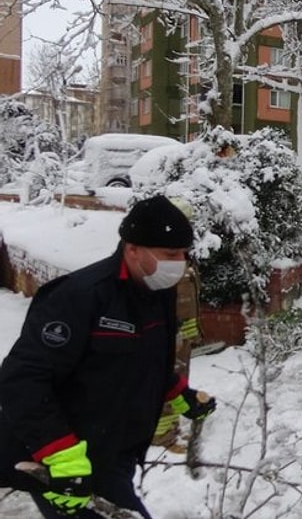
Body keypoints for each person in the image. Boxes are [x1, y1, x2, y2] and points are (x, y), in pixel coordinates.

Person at [0, 195, 217, 518]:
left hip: (114, 450)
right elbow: (21, 380)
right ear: (132, 249)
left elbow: (138, 358)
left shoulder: (156, 291)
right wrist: (61, 455)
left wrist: (177, 391)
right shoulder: (79, 297)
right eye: (170, 254)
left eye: (184, 254)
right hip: (62, 456)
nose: (180, 263)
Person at [151, 199, 203, 451]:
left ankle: (170, 428)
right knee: (165, 382)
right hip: (169, 335)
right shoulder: (159, 259)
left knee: (178, 381)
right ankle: (163, 435)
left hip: (183, 334)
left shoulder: (180, 255)